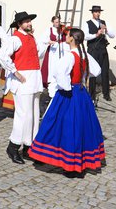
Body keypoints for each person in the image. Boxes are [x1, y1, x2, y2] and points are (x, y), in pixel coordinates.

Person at [29, 28, 105, 176]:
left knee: (58, 124)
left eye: (68, 35)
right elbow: (97, 71)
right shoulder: (84, 55)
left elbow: (59, 73)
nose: (66, 36)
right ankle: (79, 162)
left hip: (69, 93)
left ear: (71, 39)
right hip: (82, 94)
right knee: (81, 126)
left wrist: (66, 87)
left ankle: (65, 161)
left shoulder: (70, 56)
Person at [0, 11, 46, 164]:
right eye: (26, 22)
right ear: (19, 24)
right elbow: (2, 55)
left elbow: (35, 55)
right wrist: (15, 72)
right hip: (23, 81)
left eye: (29, 21)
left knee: (33, 114)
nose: (29, 23)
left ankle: (29, 147)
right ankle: (13, 146)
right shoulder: (15, 39)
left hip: (34, 79)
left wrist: (47, 44)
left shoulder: (31, 37)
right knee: (23, 115)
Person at [82, 5, 115, 102]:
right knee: (92, 72)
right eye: (96, 12)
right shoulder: (87, 23)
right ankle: (92, 94)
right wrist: (96, 34)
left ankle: (106, 94)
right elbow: (85, 36)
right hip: (93, 49)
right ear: (92, 13)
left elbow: (113, 35)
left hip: (103, 49)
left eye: (99, 12)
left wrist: (106, 30)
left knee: (105, 71)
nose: (98, 13)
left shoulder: (104, 22)